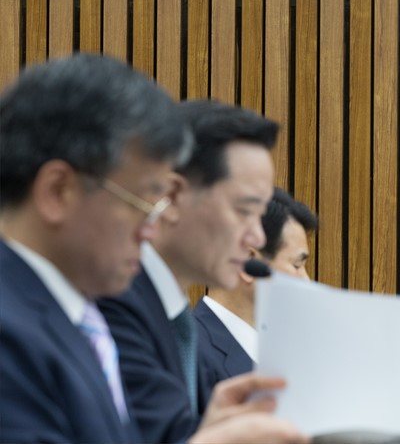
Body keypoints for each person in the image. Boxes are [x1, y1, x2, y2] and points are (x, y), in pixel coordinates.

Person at [0, 53, 191, 443]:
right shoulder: (9, 331)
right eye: (143, 205)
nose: (150, 232)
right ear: (58, 191)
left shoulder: (77, 316)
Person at [98, 100, 307, 444]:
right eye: (244, 211)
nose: (256, 237)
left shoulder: (178, 328)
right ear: (173, 195)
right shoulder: (110, 311)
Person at [194, 187, 319, 388]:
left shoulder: (289, 354)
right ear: (248, 262)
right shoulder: (189, 354)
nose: (306, 281)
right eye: (297, 265)